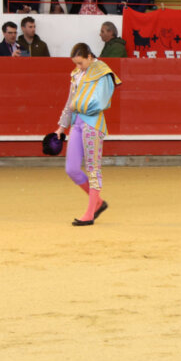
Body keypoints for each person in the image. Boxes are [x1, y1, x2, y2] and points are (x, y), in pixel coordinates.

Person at [53, 43, 121, 226]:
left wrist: (77, 106)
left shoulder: (102, 72)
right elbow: (70, 101)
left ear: (89, 57)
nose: (79, 67)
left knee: (93, 168)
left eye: (81, 63)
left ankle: (90, 213)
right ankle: (98, 202)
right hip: (77, 123)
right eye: (76, 63)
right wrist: (61, 127)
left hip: (93, 123)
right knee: (72, 169)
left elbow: (101, 102)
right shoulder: (77, 73)